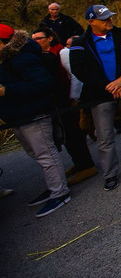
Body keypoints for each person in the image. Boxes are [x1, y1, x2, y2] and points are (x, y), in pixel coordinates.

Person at [69, 5, 121, 191]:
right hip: (100, 94)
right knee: (105, 136)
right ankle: (110, 174)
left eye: (109, 17)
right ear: (91, 22)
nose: (109, 21)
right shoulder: (80, 42)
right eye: (104, 19)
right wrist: (108, 86)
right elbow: (80, 70)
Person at [0, 24, 71, 217]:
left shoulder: (23, 58)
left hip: (34, 114)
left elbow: (42, 83)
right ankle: (54, 184)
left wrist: (7, 91)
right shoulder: (6, 60)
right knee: (36, 153)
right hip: (16, 116)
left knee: (45, 153)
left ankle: (60, 192)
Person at [32, 27, 98, 185]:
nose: (36, 42)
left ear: (50, 38)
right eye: (33, 39)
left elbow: (74, 75)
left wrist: (73, 97)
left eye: (39, 38)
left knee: (74, 134)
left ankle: (86, 166)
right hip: (59, 102)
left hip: (67, 100)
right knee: (67, 135)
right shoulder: (42, 56)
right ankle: (79, 163)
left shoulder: (61, 52)